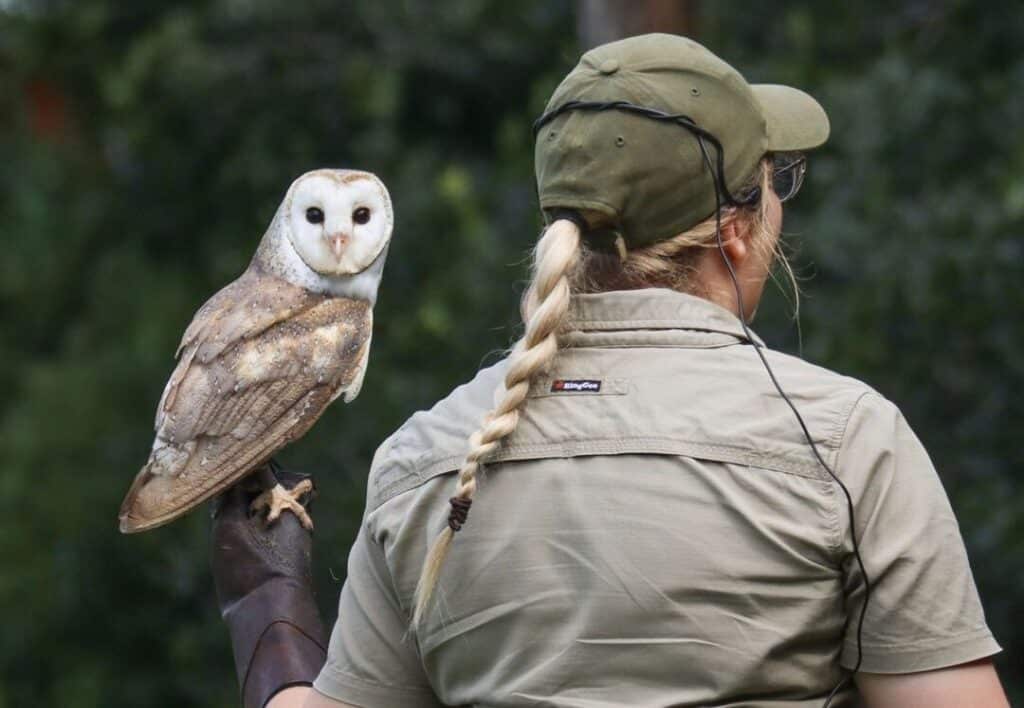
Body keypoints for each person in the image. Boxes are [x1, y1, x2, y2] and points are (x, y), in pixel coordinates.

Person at [211, 34, 1009, 708]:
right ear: (736, 230)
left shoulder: (428, 461)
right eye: (776, 183)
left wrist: (270, 617)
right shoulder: (849, 446)